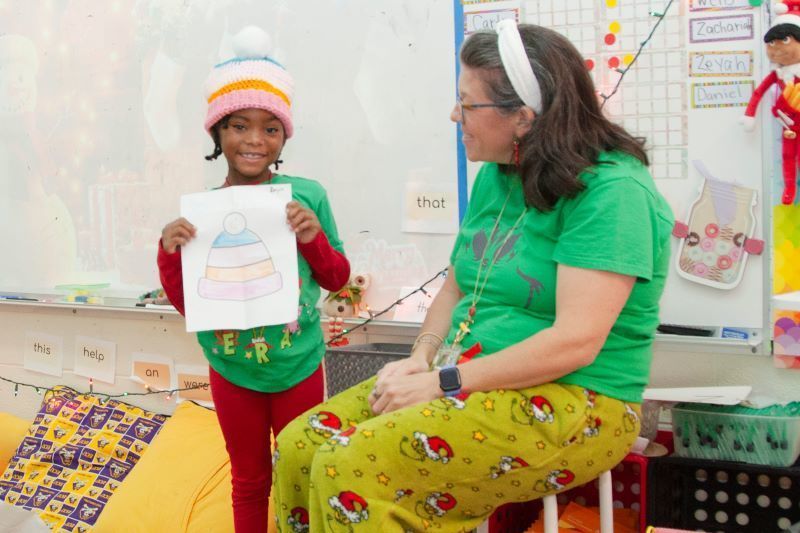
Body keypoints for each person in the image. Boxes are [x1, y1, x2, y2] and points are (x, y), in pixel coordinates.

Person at [272, 20, 673, 533]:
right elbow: (457, 286)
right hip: (464, 376)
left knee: (350, 465)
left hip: (579, 399)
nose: (454, 114)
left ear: (523, 118)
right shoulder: (500, 172)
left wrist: (444, 382)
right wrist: (420, 360)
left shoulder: (612, 193)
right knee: (299, 445)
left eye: (467, 103)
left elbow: (574, 343)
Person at [157, 26, 350, 533]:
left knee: (302, 473)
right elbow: (190, 305)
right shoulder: (203, 214)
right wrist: (169, 253)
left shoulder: (308, 195)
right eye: (239, 125)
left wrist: (311, 237)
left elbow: (337, 278)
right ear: (218, 133)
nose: (254, 140)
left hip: (299, 361)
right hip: (231, 368)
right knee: (248, 480)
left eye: (270, 128)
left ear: (285, 136)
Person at [742, 0, 800, 204]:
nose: (776, 49)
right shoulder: (778, 74)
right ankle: (789, 190)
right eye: (771, 43)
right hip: (787, 125)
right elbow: (758, 93)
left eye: (783, 40)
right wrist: (749, 115)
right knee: (787, 158)